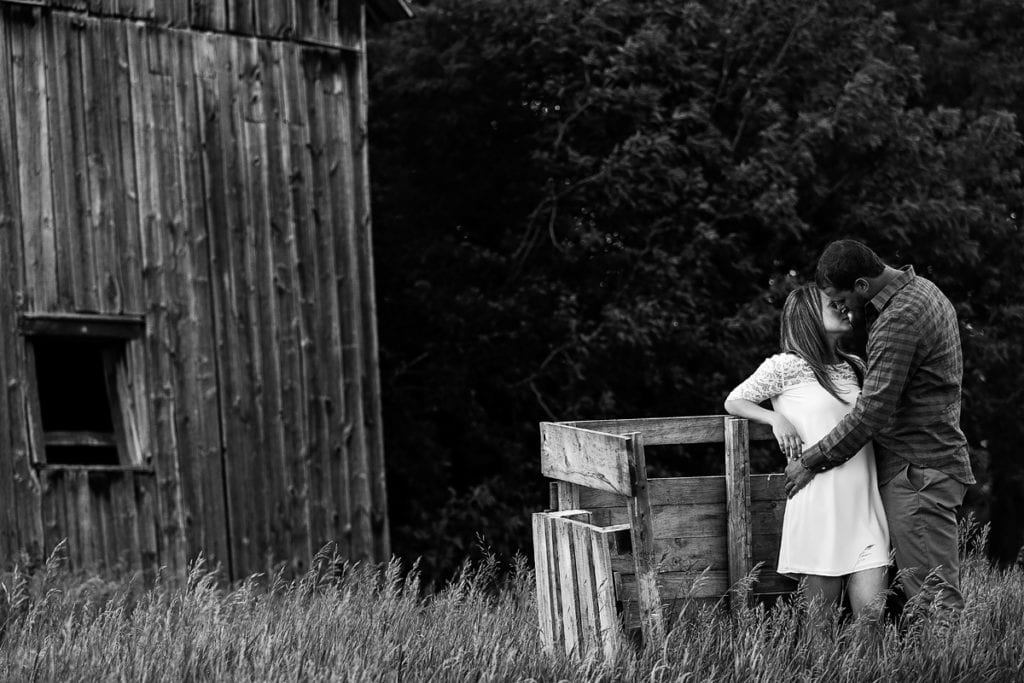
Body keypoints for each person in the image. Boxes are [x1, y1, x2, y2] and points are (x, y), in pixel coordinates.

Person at [786, 239, 975, 617]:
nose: (841, 307)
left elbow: (871, 411)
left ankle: (952, 669)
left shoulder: (898, 318)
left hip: (917, 471)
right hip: (927, 465)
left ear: (861, 285)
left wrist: (811, 461)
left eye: (840, 298)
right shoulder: (925, 291)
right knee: (924, 595)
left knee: (934, 602)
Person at [725, 284, 890, 621]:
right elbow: (734, 400)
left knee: (872, 619)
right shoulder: (785, 367)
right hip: (818, 507)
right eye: (836, 304)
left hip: (864, 507)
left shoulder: (855, 365)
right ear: (810, 315)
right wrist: (774, 418)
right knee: (820, 627)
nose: (847, 309)